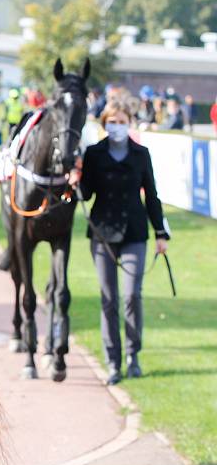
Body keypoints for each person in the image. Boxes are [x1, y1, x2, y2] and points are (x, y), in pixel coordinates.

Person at [68, 101, 170, 386]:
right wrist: (76, 179)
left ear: (129, 123)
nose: (117, 125)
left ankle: (132, 355)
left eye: (122, 120)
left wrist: (161, 233)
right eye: (112, 120)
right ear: (104, 123)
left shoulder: (141, 154)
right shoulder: (94, 153)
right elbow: (86, 194)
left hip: (135, 233)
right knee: (109, 299)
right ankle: (113, 361)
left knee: (131, 296)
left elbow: (152, 195)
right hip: (102, 234)